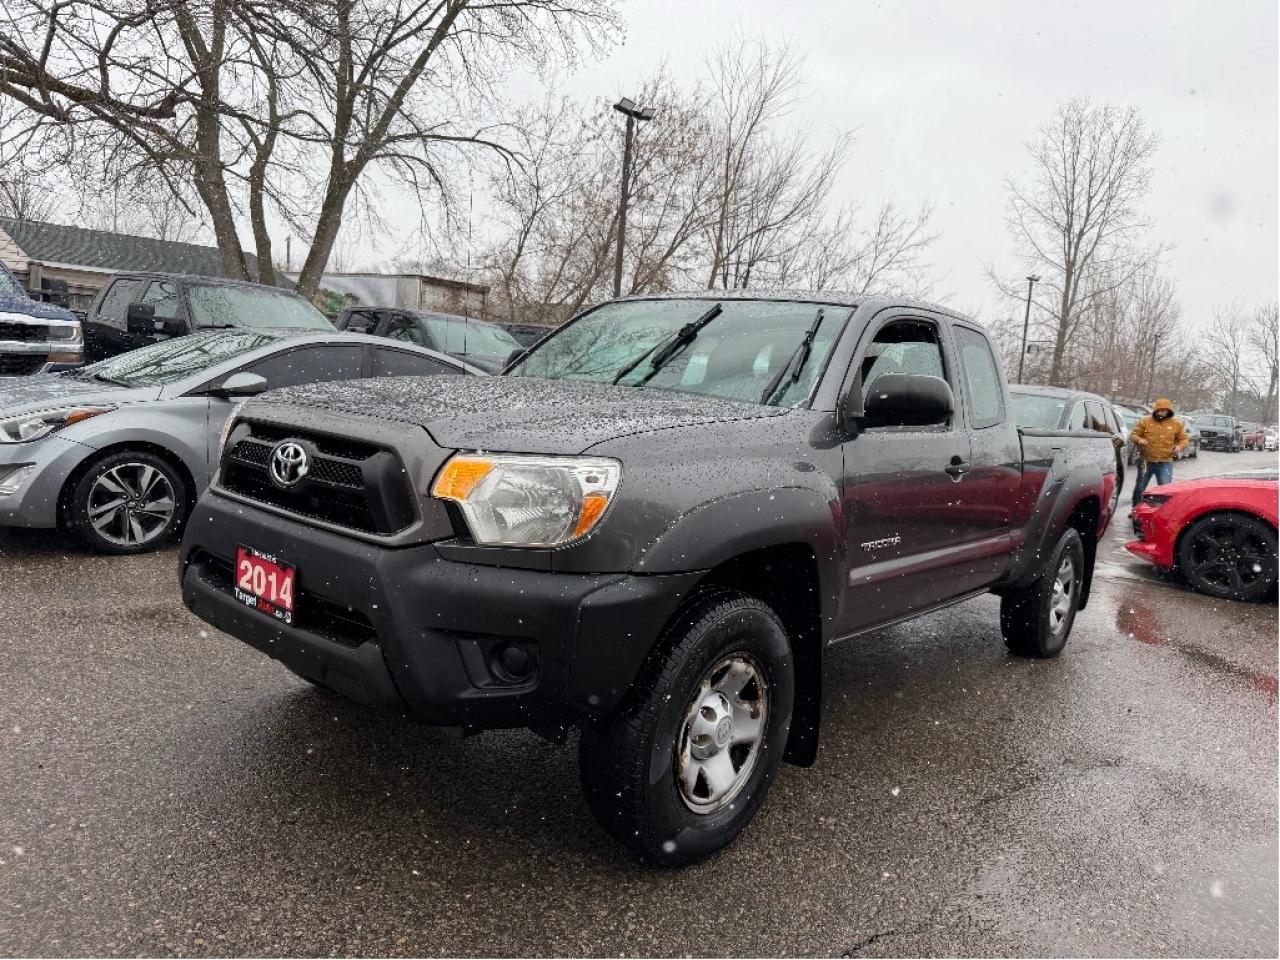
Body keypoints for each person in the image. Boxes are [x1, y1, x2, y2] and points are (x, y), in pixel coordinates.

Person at [1130, 398, 1189, 508]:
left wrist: (1179, 447)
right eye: (1159, 410)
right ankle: (1135, 508)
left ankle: (1162, 510)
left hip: (1165, 461)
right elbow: (1133, 435)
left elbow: (1184, 439)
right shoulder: (1145, 421)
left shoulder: (1176, 424)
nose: (1161, 412)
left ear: (1168, 411)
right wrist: (1139, 439)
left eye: (1164, 410)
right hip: (1146, 461)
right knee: (1140, 487)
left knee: (1165, 489)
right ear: (1155, 410)